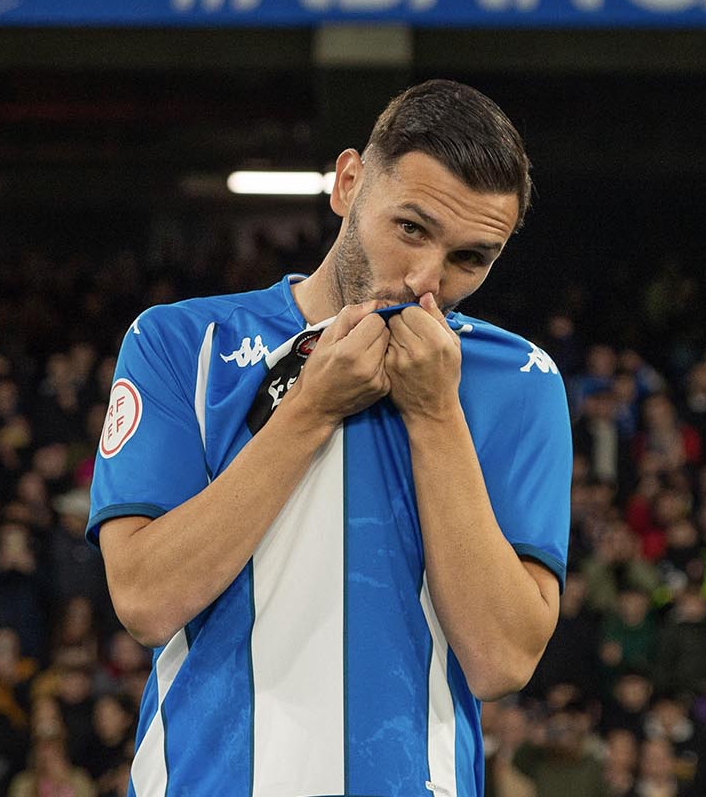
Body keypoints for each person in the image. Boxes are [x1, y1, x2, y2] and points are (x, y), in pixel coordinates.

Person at [89, 81, 571, 794]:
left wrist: (437, 414)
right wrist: (310, 412)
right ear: (348, 183)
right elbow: (145, 600)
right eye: (411, 227)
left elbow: (501, 660)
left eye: (471, 258)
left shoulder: (519, 380)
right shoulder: (181, 343)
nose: (424, 280)